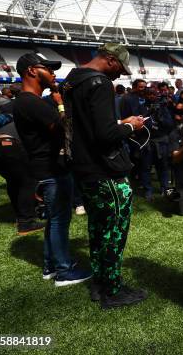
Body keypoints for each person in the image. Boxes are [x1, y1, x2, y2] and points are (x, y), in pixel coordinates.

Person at [62, 43, 147, 309]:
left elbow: (89, 128)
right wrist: (130, 126)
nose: (120, 75)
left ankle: (101, 283)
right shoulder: (99, 83)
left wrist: (119, 124)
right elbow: (105, 136)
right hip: (105, 170)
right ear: (110, 60)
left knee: (98, 228)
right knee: (114, 230)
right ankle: (112, 290)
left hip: (84, 167)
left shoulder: (72, 80)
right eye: (120, 68)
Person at [13, 52, 92, 285]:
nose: (53, 73)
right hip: (51, 170)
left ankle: (51, 265)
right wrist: (59, 103)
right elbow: (64, 128)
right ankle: (64, 271)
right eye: (47, 68)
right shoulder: (30, 101)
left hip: (46, 169)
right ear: (32, 71)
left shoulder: (28, 101)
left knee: (55, 219)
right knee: (59, 220)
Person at [0, 110, 41, 234]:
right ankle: (26, 223)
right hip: (8, 144)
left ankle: (20, 217)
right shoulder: (37, 120)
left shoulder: (14, 120)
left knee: (14, 181)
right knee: (27, 182)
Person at [120, 78, 152, 199]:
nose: (144, 89)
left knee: (145, 164)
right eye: (141, 87)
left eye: (145, 86)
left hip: (144, 136)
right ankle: (128, 190)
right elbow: (125, 117)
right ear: (134, 87)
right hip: (132, 136)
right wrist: (130, 131)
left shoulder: (146, 98)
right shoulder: (127, 99)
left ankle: (146, 188)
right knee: (130, 165)